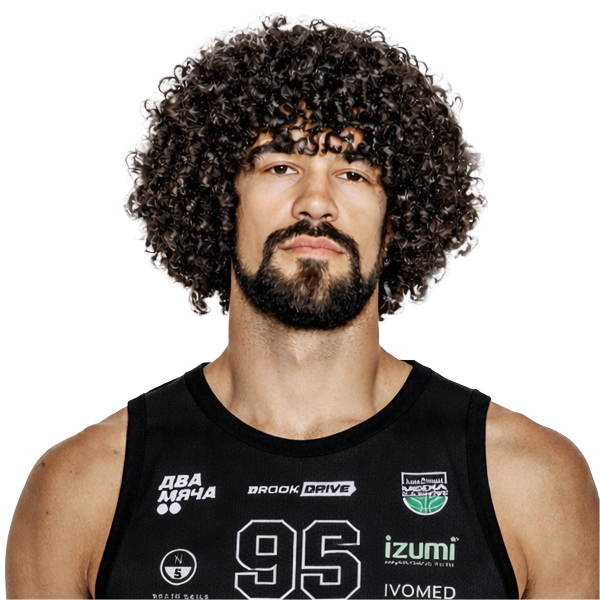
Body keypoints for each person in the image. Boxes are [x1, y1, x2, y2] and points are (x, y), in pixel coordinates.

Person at [6, 11, 599, 600]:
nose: (315, 202)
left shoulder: (528, 480)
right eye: (281, 165)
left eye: (354, 173)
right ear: (220, 204)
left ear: (395, 223)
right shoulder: (83, 488)